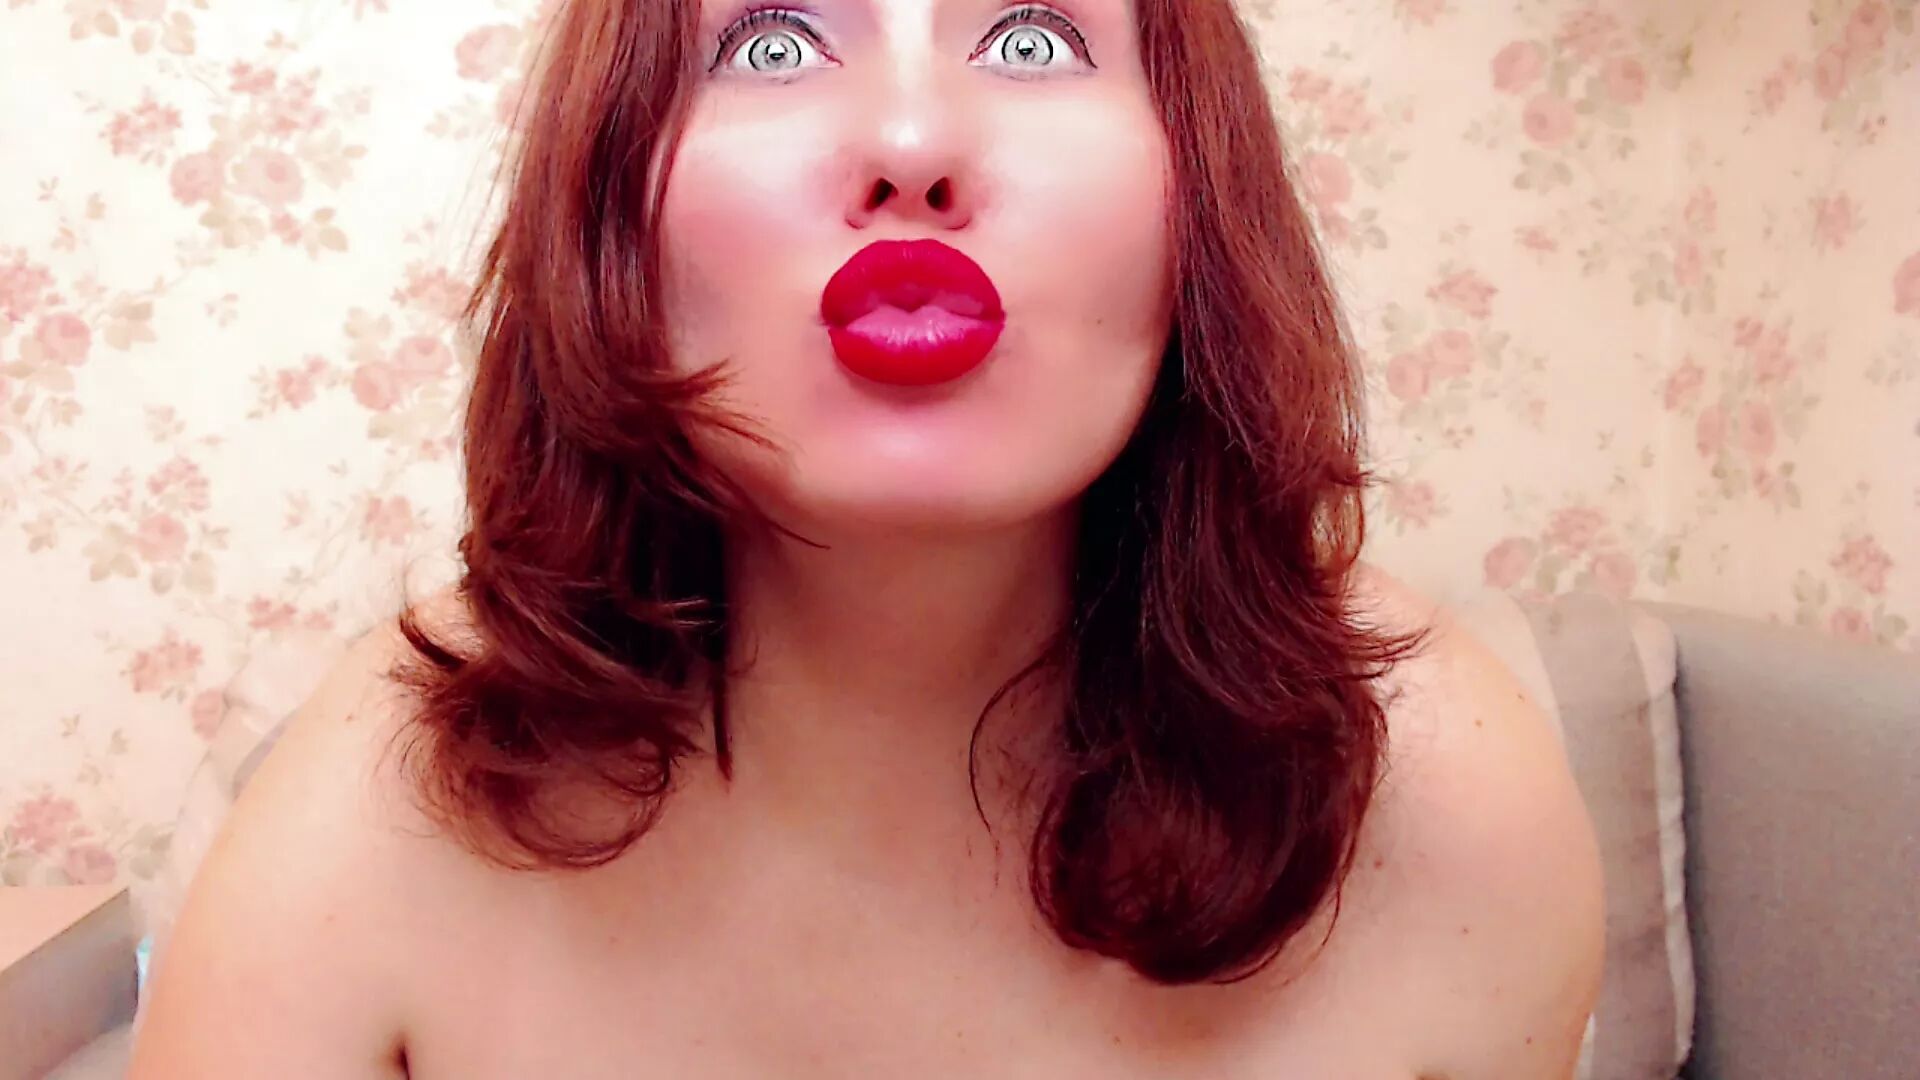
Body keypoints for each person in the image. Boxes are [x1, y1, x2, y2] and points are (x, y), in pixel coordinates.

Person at [129, 0, 1604, 1076]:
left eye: (1035, 37)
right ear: (608, 204)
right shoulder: (382, 811)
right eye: (771, 42)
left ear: (1199, 192)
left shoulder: (1447, 796)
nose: (911, 145)